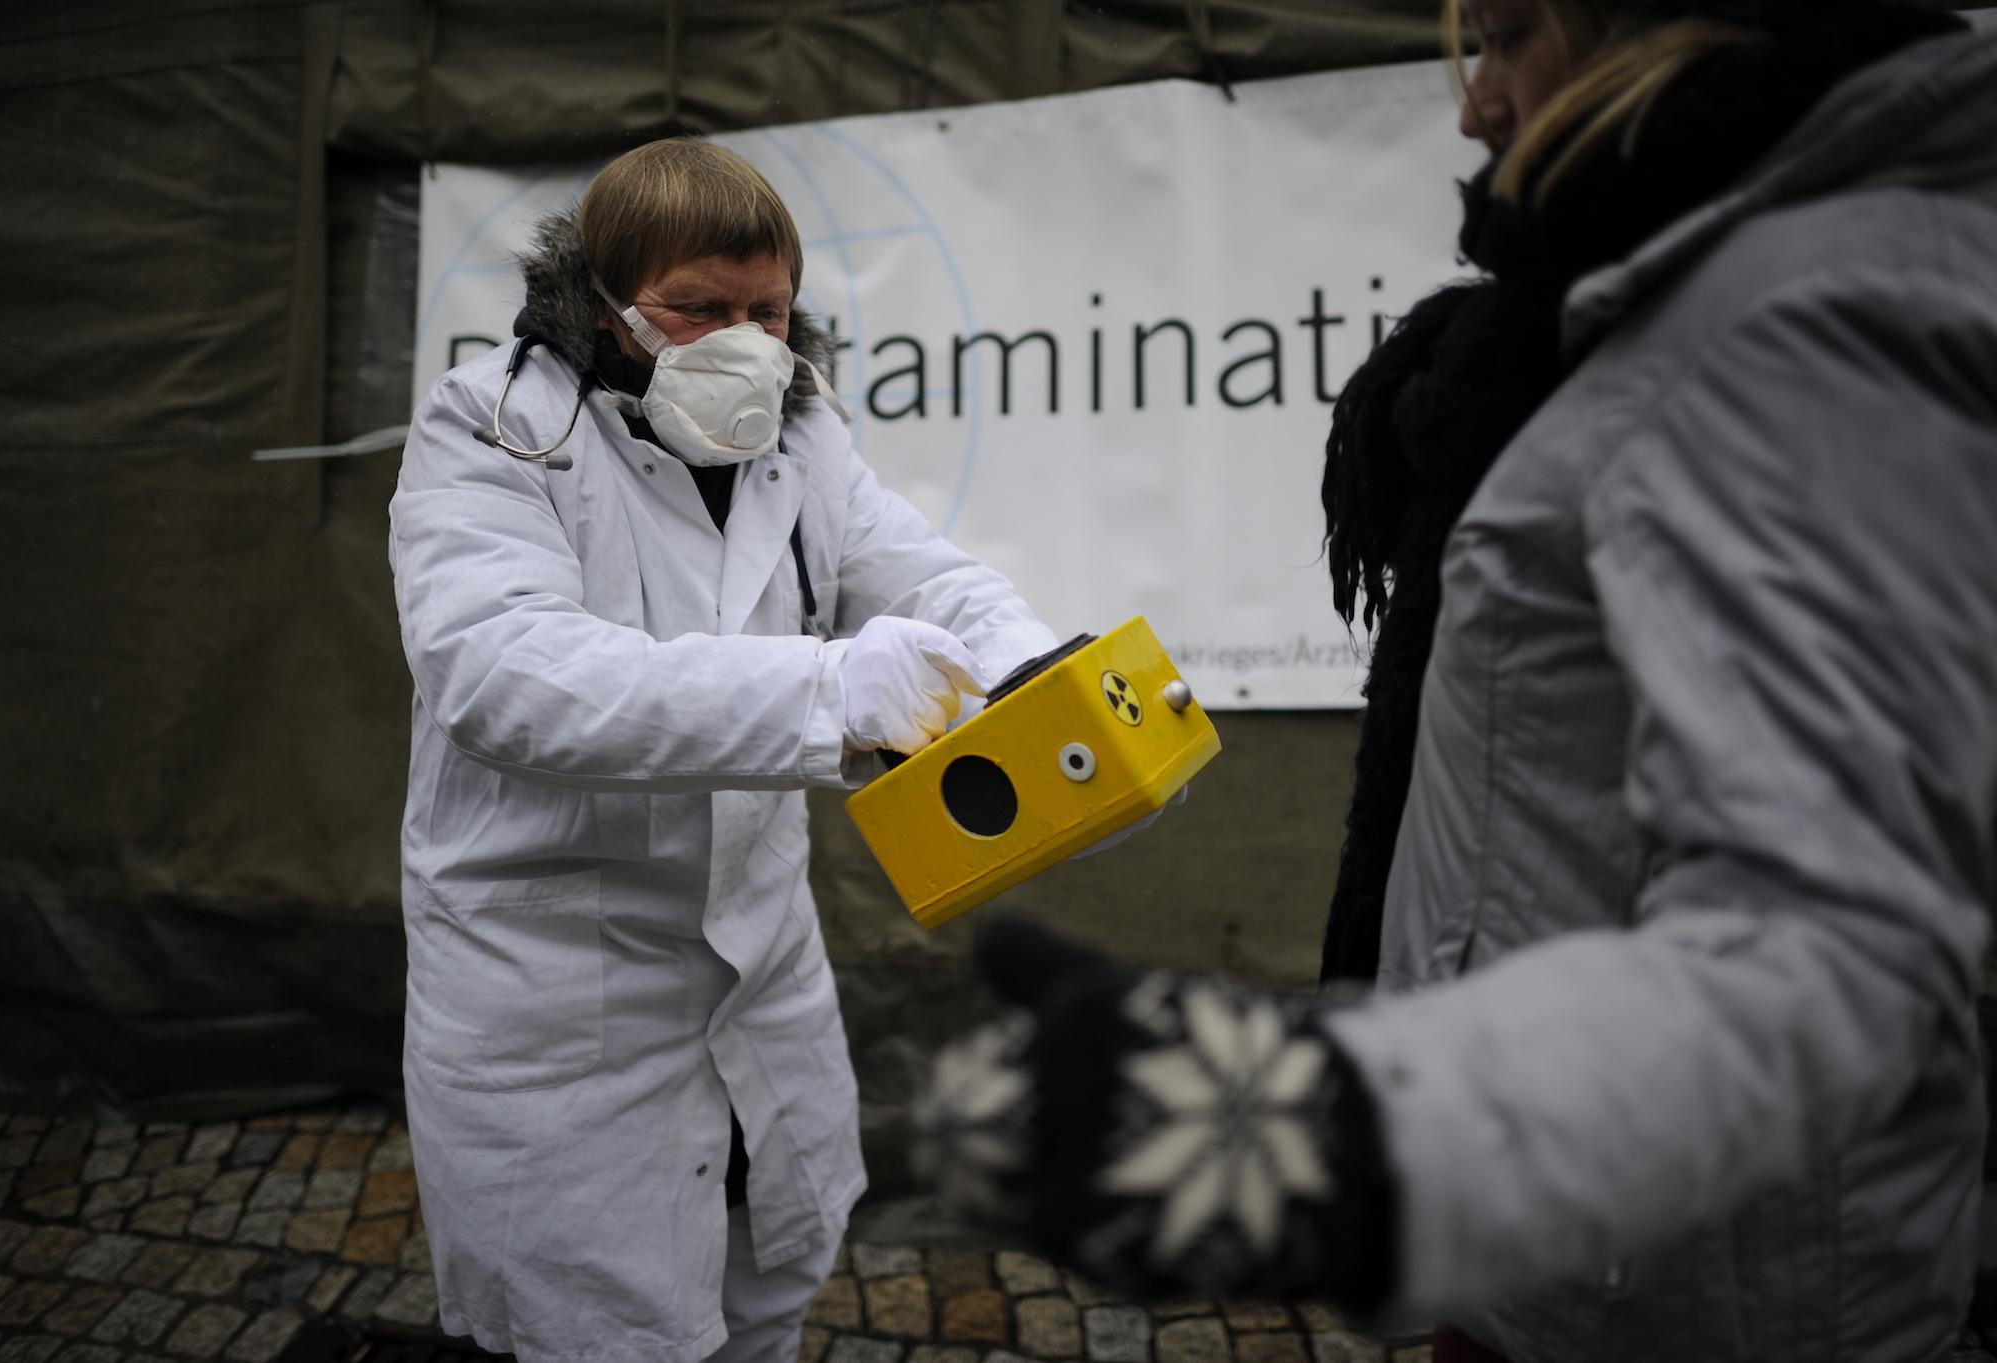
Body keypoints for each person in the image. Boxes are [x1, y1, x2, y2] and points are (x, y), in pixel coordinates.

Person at [916, 3, 1997, 1360]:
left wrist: (1357, 1133)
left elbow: (1828, 932)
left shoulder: (1791, 319)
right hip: (1591, 1252)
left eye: (1506, 34)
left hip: (1675, 1287)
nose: (1477, 104)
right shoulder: (1645, 308)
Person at [388, 137, 1061, 1363]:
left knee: (767, 1284)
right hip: (563, 1005)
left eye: (769, 310)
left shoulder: (804, 435)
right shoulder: (492, 429)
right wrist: (830, 684)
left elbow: (925, 576)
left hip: (759, 976)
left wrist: (1025, 664)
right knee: (601, 1334)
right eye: (696, 310)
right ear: (597, 301)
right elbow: (504, 675)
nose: (745, 342)